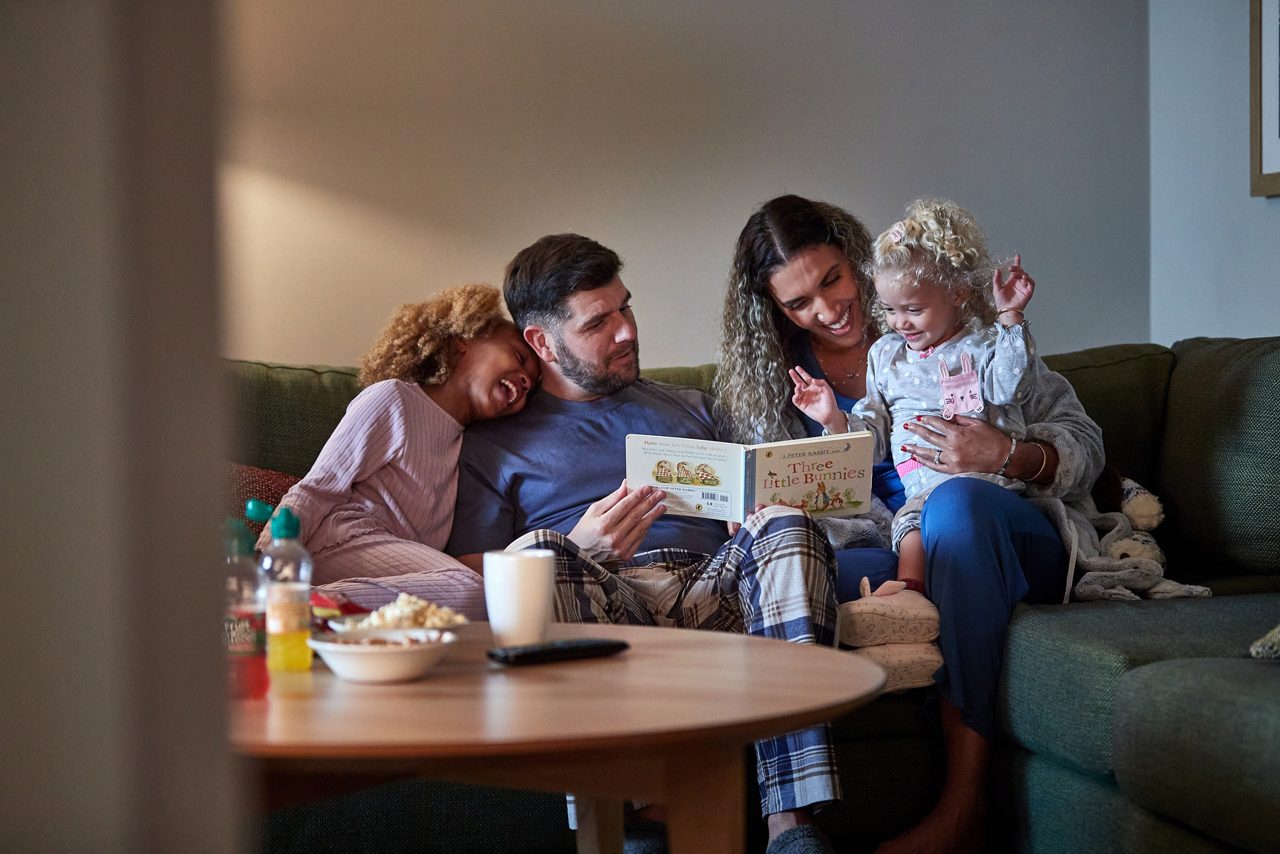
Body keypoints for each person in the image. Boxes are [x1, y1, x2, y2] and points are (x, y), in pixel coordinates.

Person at [715, 194, 1104, 853]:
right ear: (775, 313)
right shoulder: (782, 386)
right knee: (808, 569)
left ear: (858, 262)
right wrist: (762, 513)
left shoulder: (969, 338)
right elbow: (809, 493)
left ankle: (962, 807)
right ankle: (793, 827)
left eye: (833, 280)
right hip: (883, 547)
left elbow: (1084, 444)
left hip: (999, 523)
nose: (827, 309)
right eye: (798, 302)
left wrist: (1008, 452)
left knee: (955, 507)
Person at [447, 233, 843, 854]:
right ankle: (646, 821)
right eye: (598, 322)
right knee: (544, 553)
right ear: (541, 342)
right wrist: (582, 545)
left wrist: (757, 510)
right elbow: (472, 571)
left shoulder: (691, 407)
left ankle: (791, 827)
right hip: (605, 600)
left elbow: (764, 499)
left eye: (625, 308)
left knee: (787, 524)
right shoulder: (492, 444)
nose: (627, 331)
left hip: (716, 587)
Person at [790, 198, 1042, 594]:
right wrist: (833, 421)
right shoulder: (885, 355)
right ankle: (909, 602)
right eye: (889, 309)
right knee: (909, 528)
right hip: (919, 492)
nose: (899, 322)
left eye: (913, 309)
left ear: (958, 293)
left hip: (981, 486)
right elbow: (872, 440)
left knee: (944, 515)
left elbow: (1011, 387)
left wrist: (1010, 318)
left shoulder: (982, 345)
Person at [258, 283, 539, 619]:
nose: (524, 380)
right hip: (340, 542)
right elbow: (317, 488)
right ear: (466, 339)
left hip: (394, 570)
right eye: (519, 358)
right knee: (471, 590)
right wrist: (266, 562)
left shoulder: (469, 444)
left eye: (531, 385)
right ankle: (276, 606)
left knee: (491, 590)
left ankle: (317, 612)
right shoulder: (394, 400)